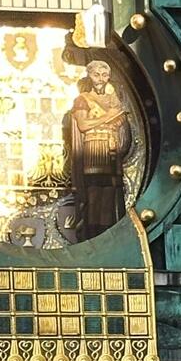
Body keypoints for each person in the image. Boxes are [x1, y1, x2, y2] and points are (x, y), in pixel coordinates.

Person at [67, 58, 132, 240]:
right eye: (97, 75)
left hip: (111, 149)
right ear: (90, 76)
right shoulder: (83, 99)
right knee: (93, 194)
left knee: (109, 194)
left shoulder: (113, 100)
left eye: (104, 75)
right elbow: (83, 125)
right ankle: (92, 234)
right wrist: (107, 118)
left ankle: (106, 236)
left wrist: (115, 120)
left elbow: (121, 121)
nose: (101, 79)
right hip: (93, 151)